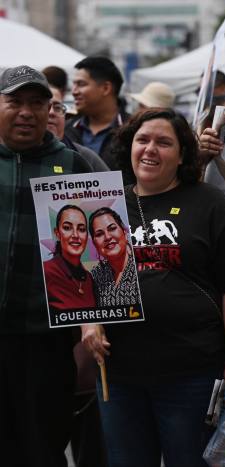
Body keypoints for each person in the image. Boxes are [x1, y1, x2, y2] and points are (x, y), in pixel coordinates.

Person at [81, 108, 225, 466]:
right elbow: (84, 279)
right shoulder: (100, 205)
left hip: (191, 374)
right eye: (142, 140)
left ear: (182, 155)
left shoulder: (209, 203)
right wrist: (88, 323)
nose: (150, 149)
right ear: (128, 146)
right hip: (119, 376)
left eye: (164, 143)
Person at [0, 65, 93, 466]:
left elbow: (96, 262)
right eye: (14, 101)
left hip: (47, 340)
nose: (26, 112)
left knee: (43, 446)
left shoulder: (73, 166)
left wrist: (92, 325)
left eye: (37, 103)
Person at [66, 56, 129, 169]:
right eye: (73, 85)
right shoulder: (67, 129)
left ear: (105, 88)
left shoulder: (133, 131)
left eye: (81, 84)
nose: (74, 92)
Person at [44, 204, 96, 310]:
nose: (75, 235)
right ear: (57, 233)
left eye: (81, 229)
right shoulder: (45, 271)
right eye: (67, 228)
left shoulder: (89, 279)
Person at [47, 85, 109, 172]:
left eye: (57, 107)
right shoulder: (21, 158)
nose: (51, 112)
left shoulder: (86, 158)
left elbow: (113, 185)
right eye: (45, 107)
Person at [88, 207, 139, 307]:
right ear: (94, 243)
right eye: (99, 234)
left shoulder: (144, 266)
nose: (107, 237)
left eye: (112, 228)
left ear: (124, 232)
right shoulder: (95, 276)